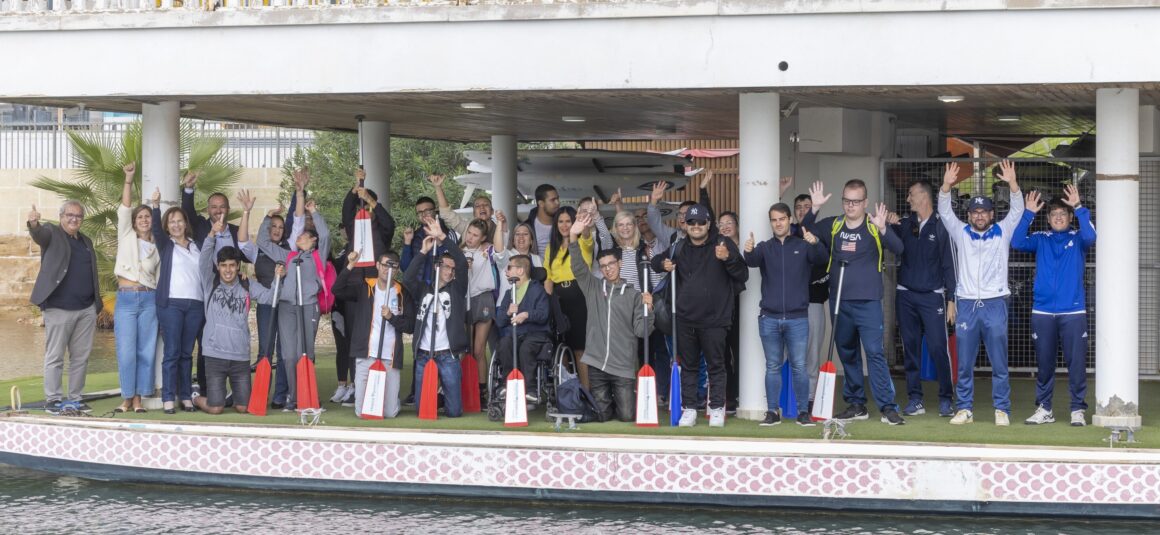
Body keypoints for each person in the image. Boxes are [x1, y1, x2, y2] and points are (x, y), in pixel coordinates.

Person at [803, 179, 905, 425]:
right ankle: (857, 404)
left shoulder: (873, 226)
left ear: (865, 203)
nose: (851, 206)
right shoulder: (834, 225)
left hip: (869, 303)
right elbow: (805, 232)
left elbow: (899, 248)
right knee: (848, 354)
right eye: (847, 201)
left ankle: (888, 407)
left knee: (874, 353)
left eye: (856, 201)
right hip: (840, 303)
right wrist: (813, 209)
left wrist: (883, 229)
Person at [938, 160, 1024, 426]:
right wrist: (946, 185)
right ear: (969, 215)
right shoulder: (960, 232)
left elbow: (1018, 209)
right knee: (965, 362)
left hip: (995, 302)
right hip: (966, 303)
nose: (978, 216)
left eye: (983, 212)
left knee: (999, 361)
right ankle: (964, 408)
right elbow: (944, 211)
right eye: (974, 212)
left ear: (991, 214)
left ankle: (1002, 409)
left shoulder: (1003, 231)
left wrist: (1012, 183)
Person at [652, 204, 748, 427]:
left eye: (700, 223)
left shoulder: (723, 244)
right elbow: (657, 261)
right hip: (685, 319)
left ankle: (716, 408)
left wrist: (728, 259)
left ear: (708, 224)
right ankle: (689, 409)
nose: (696, 227)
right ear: (685, 225)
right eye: (691, 223)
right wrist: (663, 263)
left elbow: (743, 274)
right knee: (689, 366)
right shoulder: (679, 247)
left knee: (716, 365)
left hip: (715, 319)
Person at [1012, 185, 1095, 427]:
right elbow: (1017, 242)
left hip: (1073, 311)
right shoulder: (1040, 238)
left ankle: (1077, 409)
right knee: (1044, 364)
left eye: (1063, 214)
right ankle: (1044, 408)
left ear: (1070, 218)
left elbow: (1092, 237)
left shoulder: (1079, 238)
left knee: (1076, 363)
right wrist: (1028, 213)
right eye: (1054, 215)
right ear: (1047, 219)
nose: (1058, 218)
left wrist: (1079, 207)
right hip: (1043, 311)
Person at [744, 203, 828, 427]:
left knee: (799, 366)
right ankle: (772, 412)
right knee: (772, 366)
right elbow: (751, 262)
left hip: (798, 317)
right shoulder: (764, 247)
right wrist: (748, 249)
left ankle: (803, 412)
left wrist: (816, 243)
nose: (778, 223)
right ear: (770, 222)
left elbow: (822, 259)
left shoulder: (802, 245)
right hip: (769, 317)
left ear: (789, 220)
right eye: (774, 220)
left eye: (782, 219)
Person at [256, 173, 330, 412]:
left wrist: (314, 212)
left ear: (312, 240)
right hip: (287, 307)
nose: (297, 236)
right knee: (288, 356)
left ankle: (309, 396)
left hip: (308, 306)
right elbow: (263, 243)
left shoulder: (318, 255)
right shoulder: (288, 255)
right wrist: (268, 219)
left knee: (305, 353)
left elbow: (326, 235)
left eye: (303, 235)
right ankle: (294, 396)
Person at [570, 211, 654, 422]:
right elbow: (579, 268)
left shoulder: (634, 294)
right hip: (597, 363)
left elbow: (641, 332)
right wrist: (573, 237)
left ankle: (621, 400)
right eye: (603, 266)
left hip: (623, 366)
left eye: (611, 264)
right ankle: (603, 404)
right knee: (602, 416)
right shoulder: (594, 287)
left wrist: (649, 310)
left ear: (619, 264)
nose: (608, 269)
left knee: (626, 416)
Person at [192, 221, 278, 415]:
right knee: (216, 408)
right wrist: (212, 234)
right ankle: (195, 397)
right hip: (214, 355)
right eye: (224, 266)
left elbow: (270, 297)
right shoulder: (210, 282)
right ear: (218, 266)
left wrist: (277, 278)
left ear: (238, 266)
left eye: (232, 265)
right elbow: (204, 258)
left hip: (239, 356)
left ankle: (233, 396)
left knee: (243, 408)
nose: (228, 270)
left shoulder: (247, 285)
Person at [890, 180, 958, 418]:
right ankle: (915, 398)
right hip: (905, 295)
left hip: (933, 297)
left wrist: (951, 298)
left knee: (939, 347)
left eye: (910, 194)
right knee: (910, 348)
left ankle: (946, 399)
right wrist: (886, 223)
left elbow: (950, 264)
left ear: (924, 197)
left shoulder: (942, 226)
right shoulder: (905, 224)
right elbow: (889, 235)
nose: (908, 199)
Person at [27, 200, 102, 415]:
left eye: (78, 216)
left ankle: (76, 398)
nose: (74, 219)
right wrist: (33, 223)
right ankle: (53, 399)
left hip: (86, 309)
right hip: (58, 308)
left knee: (80, 357)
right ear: (61, 216)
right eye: (70, 215)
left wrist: (95, 304)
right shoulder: (51, 232)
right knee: (55, 356)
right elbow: (39, 235)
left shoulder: (86, 241)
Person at [332, 250, 414, 419]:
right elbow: (337, 289)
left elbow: (410, 326)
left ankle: (393, 400)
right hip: (365, 355)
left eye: (393, 266)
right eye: (385, 265)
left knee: (389, 413)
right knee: (361, 412)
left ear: (397, 269)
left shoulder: (402, 292)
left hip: (390, 358)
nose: (388, 269)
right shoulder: (365, 287)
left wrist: (391, 317)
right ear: (377, 265)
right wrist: (350, 265)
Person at [404, 218, 469, 418]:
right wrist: (423, 252)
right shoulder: (424, 289)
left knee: (454, 411)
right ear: (437, 267)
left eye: (452, 268)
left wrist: (442, 237)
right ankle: (435, 398)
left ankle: (444, 399)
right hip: (424, 353)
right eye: (446, 267)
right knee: (422, 410)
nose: (450, 271)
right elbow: (407, 278)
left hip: (448, 354)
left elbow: (462, 263)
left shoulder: (457, 289)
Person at [113, 162, 160, 414]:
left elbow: (160, 276)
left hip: (149, 299)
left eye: (147, 217)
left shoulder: (157, 245)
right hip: (127, 299)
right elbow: (125, 208)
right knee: (126, 351)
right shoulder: (126, 235)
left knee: (146, 351)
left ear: (152, 221)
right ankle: (126, 397)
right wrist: (129, 179)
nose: (143, 219)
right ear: (134, 221)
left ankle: (140, 398)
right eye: (140, 217)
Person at [151, 195, 203, 415]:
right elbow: (155, 229)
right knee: (172, 352)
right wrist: (155, 206)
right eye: (171, 221)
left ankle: (185, 396)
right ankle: (168, 398)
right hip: (171, 304)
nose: (176, 224)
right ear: (167, 226)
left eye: (179, 220)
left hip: (196, 304)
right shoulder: (166, 245)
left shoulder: (197, 245)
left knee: (186, 353)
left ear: (185, 223)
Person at [544, 206, 594, 387]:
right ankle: (567, 392)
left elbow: (587, 236)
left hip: (580, 298)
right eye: (561, 221)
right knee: (561, 348)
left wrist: (584, 224)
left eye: (568, 221)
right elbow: (548, 278)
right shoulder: (551, 248)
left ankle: (587, 393)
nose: (565, 225)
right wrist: (549, 304)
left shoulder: (582, 243)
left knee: (580, 349)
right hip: (558, 300)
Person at [493, 254, 552, 402]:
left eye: (509, 268)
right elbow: (499, 322)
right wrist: (507, 312)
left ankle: (530, 388)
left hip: (535, 334)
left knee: (526, 348)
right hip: (514, 335)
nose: (506, 272)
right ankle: (505, 385)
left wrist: (526, 314)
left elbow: (544, 314)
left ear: (520, 271)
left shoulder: (538, 290)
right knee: (505, 344)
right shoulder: (508, 294)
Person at [792, 193, 829, 402]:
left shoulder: (821, 232)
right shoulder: (788, 233)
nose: (802, 210)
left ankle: (811, 399)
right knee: (790, 355)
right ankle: (789, 398)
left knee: (812, 354)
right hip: (789, 305)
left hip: (813, 302)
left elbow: (825, 264)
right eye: (798, 206)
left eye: (807, 206)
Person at [254, 202, 291, 409]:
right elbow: (260, 240)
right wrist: (268, 214)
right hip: (267, 304)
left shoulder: (288, 251)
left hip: (284, 304)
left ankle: (279, 396)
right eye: (273, 226)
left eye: (280, 227)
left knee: (283, 351)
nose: (276, 230)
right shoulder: (261, 247)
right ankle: (261, 394)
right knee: (265, 350)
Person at [461, 218, 497, 387]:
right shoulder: (458, 251)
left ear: (483, 238)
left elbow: (500, 248)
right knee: (465, 348)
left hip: (483, 298)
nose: (470, 237)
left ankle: (482, 389)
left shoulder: (488, 249)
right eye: (469, 232)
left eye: (475, 235)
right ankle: (466, 387)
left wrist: (501, 223)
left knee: (478, 349)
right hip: (464, 299)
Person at [647, 171, 715, 251]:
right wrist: (654, 201)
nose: (682, 218)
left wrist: (702, 190)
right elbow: (654, 223)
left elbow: (706, 215)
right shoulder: (672, 236)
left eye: (686, 214)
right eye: (680, 214)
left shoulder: (705, 235)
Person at [491, 209, 543, 299]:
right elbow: (498, 248)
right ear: (513, 241)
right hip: (507, 306)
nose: (521, 237)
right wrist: (500, 223)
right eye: (517, 234)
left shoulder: (537, 259)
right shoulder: (507, 256)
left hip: (532, 306)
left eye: (525, 234)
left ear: (531, 240)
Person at [525, 184, 560, 258]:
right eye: (553, 200)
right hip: (535, 268)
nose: (558, 203)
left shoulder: (564, 223)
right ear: (541, 203)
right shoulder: (527, 227)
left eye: (557, 199)